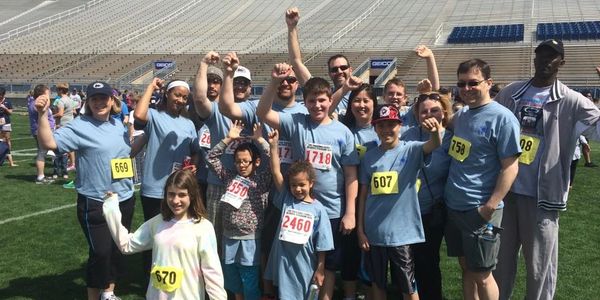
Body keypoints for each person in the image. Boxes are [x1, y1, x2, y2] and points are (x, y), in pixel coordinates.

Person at [494, 39, 600, 300]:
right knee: (499, 264)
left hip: (542, 197)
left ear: (561, 63)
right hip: (505, 193)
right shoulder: (511, 92)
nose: (544, 61)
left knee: (540, 268)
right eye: (540, 56)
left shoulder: (572, 100)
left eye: (551, 57)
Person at [258, 67, 359, 300]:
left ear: (329, 99)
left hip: (332, 209)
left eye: (322, 100)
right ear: (305, 102)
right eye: (312, 100)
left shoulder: (343, 133)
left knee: (328, 265)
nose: (317, 105)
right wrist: (274, 82)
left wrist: (350, 212)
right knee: (298, 261)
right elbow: (263, 112)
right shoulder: (297, 123)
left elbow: (351, 174)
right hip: (299, 207)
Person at [35, 81, 135, 300]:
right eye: (94, 98)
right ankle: (93, 295)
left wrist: (144, 139)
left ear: (112, 100)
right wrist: (43, 114)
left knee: (117, 249)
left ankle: (108, 292)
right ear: (88, 102)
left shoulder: (119, 125)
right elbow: (49, 143)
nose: (99, 102)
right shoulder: (79, 125)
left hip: (124, 197)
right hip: (95, 200)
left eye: (103, 98)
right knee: (100, 252)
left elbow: (126, 154)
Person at [445, 59, 521, 300]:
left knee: (484, 275)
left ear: (488, 83)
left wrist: (489, 206)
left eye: (473, 83)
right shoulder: (463, 115)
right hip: (455, 206)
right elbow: (445, 124)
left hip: (479, 210)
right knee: (467, 268)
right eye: (461, 84)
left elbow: (510, 168)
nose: (466, 89)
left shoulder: (503, 118)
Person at [357, 104, 442, 300]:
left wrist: (435, 132)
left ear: (400, 126)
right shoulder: (369, 157)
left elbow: (433, 145)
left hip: (401, 235)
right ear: (375, 128)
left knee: (408, 287)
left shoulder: (411, 150)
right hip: (374, 233)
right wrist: (361, 231)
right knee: (378, 284)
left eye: (391, 125)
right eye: (381, 125)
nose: (386, 129)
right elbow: (363, 195)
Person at [102, 169, 227, 299]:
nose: (175, 200)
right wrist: (111, 208)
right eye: (171, 194)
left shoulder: (203, 227)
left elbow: (212, 272)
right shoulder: (157, 223)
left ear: (192, 195)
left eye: (182, 195)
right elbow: (126, 245)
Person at [134, 77, 199, 277]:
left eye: (184, 97)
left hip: (179, 192)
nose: (180, 100)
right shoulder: (154, 115)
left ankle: (171, 274)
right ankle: (150, 278)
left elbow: (195, 149)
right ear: (167, 94)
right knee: (154, 237)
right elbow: (138, 115)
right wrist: (151, 87)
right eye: (177, 95)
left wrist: (193, 165)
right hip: (155, 189)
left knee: (175, 235)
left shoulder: (188, 123)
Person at [264, 129, 334, 300]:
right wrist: (273, 147)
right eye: (294, 185)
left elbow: (323, 244)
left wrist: (320, 268)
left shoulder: (319, 210)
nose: (297, 189)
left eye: (302, 184)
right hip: (284, 262)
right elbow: (276, 172)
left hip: (305, 263)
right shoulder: (287, 199)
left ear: (311, 184)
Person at [206, 121, 271, 300]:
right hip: (229, 237)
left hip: (250, 239)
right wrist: (228, 139)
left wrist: (260, 141)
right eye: (238, 162)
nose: (241, 165)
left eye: (246, 161)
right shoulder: (228, 177)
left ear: (256, 162)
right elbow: (210, 158)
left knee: (249, 279)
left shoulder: (262, 181)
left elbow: (275, 160)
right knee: (232, 278)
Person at [400, 92, 453, 300]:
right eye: (424, 111)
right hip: (407, 210)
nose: (429, 114)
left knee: (428, 261)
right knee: (406, 260)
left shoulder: (451, 138)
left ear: (444, 112)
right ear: (417, 114)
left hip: (432, 210)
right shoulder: (408, 135)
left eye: (434, 110)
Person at [285, 7, 352, 118]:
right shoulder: (322, 93)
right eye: (334, 69)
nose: (339, 71)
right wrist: (292, 27)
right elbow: (296, 62)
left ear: (350, 69)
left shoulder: (361, 96)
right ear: (330, 73)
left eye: (343, 67)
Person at [27, 86, 56, 183]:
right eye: (47, 94)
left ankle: (43, 174)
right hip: (41, 132)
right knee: (42, 153)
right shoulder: (37, 104)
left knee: (43, 152)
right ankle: (40, 176)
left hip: (43, 131)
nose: (49, 97)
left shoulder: (35, 103)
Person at [0, 87, 17, 167]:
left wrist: (5, 108)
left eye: (1, 95)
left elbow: (10, 113)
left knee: (7, 140)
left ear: (3, 94)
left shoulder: (7, 102)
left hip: (6, 123)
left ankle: (9, 156)